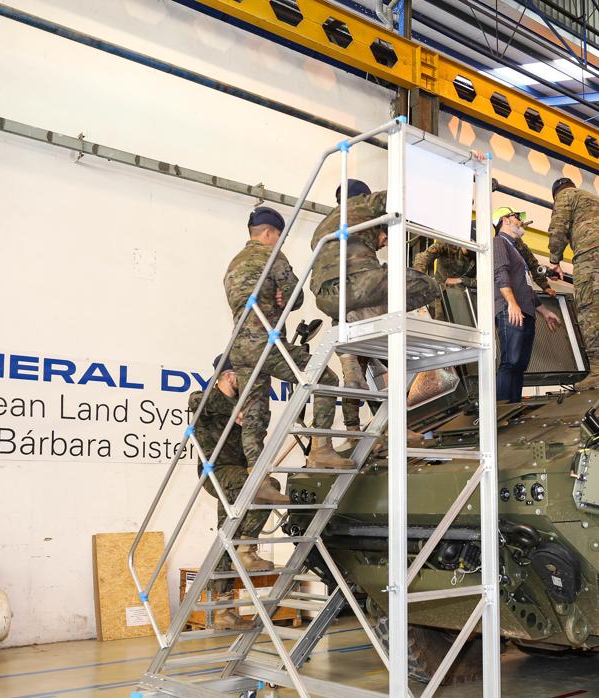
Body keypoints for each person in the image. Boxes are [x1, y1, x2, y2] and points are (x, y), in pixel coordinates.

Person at [225, 207, 352, 469]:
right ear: (269, 233)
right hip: (266, 344)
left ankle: (253, 470)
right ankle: (322, 449)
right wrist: (286, 299)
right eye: (279, 237)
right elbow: (297, 296)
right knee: (325, 378)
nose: (280, 242)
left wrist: (278, 298)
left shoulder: (233, 265)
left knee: (254, 410)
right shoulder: (272, 257)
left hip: (239, 349)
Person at [188, 355, 287, 629]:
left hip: (239, 474)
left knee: (224, 538)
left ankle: (222, 610)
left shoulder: (245, 406)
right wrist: (236, 411)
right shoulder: (205, 400)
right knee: (269, 489)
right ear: (231, 376)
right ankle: (247, 547)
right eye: (243, 376)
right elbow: (197, 401)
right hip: (217, 472)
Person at [309, 179, 440, 319]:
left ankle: (354, 318)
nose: (386, 243)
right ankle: (369, 315)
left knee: (354, 308)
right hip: (355, 285)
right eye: (385, 237)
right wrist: (435, 193)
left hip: (325, 299)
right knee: (429, 286)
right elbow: (396, 197)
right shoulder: (361, 204)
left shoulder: (322, 227)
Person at [546, 177, 599, 389]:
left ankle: (598, 372)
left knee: (589, 309)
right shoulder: (596, 200)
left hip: (591, 253)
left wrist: (555, 260)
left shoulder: (565, 196)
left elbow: (557, 229)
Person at [492, 207, 563, 402]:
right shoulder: (499, 242)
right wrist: (512, 304)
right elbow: (500, 273)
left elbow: (527, 287)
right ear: (505, 220)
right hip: (512, 311)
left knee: (520, 364)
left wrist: (544, 311)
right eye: (517, 217)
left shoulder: (516, 249)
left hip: (526, 312)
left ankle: (512, 408)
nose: (521, 221)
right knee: (511, 361)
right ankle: (501, 409)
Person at [413, 241, 475, 320]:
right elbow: (424, 257)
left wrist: (461, 280)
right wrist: (419, 278)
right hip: (441, 290)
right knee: (441, 320)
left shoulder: (481, 254)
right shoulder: (447, 243)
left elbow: (487, 282)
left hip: (465, 295)